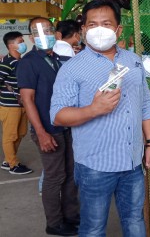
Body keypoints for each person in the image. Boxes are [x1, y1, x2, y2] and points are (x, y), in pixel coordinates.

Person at [50, 0, 150, 236]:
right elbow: (57, 116)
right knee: (94, 228)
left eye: (106, 23)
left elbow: (145, 104)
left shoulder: (133, 61)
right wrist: (93, 109)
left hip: (132, 162)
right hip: (95, 166)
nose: (99, 29)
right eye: (92, 24)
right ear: (84, 30)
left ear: (118, 30)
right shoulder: (72, 68)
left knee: (135, 220)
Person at [16, 17, 79, 236]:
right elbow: (27, 99)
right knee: (55, 177)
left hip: (67, 126)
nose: (44, 35)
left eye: (48, 29)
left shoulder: (59, 59)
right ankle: (54, 222)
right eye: (38, 31)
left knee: (71, 174)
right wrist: (41, 133)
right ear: (31, 37)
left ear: (56, 33)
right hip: (48, 129)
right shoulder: (28, 62)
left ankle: (71, 215)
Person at [0, 31, 32, 174]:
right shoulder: (7, 63)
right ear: (11, 45)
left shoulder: (19, 61)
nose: (23, 44)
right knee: (10, 135)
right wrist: (8, 90)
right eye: (20, 41)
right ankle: (13, 164)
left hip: (21, 105)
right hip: (10, 106)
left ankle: (9, 159)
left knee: (21, 133)